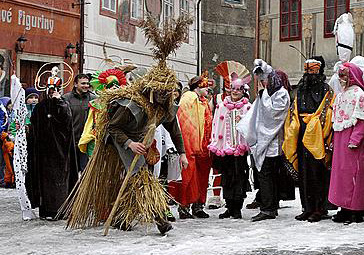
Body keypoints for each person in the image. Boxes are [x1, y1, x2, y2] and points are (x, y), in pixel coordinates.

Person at [63, 15, 191, 235]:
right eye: (160, 94)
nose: (164, 97)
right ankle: (160, 218)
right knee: (141, 176)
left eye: (167, 94)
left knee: (135, 177)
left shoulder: (165, 105)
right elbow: (112, 128)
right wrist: (130, 143)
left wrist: (182, 153)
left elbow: (173, 128)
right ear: (151, 90)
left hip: (141, 140)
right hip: (121, 138)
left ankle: (122, 217)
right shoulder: (131, 105)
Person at [237, 59, 290, 222]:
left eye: (264, 80)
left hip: (273, 141)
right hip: (265, 140)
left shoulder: (281, 93)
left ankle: (268, 208)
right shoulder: (267, 92)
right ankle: (269, 206)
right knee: (266, 176)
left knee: (268, 176)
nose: (262, 83)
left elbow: (274, 115)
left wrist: (262, 98)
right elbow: (257, 112)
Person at [286, 56, 334, 222]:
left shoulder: (326, 89)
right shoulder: (300, 89)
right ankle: (306, 207)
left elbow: (327, 109)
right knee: (304, 173)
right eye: (307, 70)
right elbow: (294, 108)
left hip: (317, 134)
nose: (309, 73)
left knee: (317, 172)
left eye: (312, 70)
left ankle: (319, 208)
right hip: (301, 131)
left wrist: (316, 126)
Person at [28, 66, 78, 220]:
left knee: (60, 181)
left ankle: (61, 210)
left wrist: (59, 103)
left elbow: (67, 121)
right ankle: (46, 210)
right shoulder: (40, 107)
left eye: (54, 89)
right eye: (50, 89)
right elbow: (34, 125)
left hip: (61, 153)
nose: (52, 92)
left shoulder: (63, 105)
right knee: (45, 182)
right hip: (43, 152)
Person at [328, 62, 364, 224]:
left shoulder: (359, 95)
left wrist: (355, 139)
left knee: (355, 175)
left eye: (344, 76)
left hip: (353, 142)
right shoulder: (340, 95)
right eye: (340, 76)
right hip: (341, 140)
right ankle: (344, 208)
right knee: (341, 176)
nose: (341, 79)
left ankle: (356, 210)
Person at [208, 72, 252, 219]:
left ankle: (237, 207)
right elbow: (216, 125)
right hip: (225, 149)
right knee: (226, 177)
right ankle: (229, 206)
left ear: (243, 91)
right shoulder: (221, 106)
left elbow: (252, 126)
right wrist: (216, 143)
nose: (235, 92)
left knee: (239, 177)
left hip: (240, 149)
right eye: (233, 88)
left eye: (238, 89)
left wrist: (243, 119)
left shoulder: (247, 107)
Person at [175, 72, 213, 219]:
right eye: (206, 86)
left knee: (202, 177)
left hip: (204, 145)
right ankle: (184, 206)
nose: (208, 89)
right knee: (189, 176)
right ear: (198, 86)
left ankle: (198, 205)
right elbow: (185, 121)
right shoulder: (189, 98)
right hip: (191, 144)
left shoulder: (203, 100)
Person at [9, 76, 37, 220]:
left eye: (35, 97)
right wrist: (15, 135)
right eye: (31, 97)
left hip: (34, 146)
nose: (34, 100)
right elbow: (13, 128)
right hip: (22, 145)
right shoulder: (21, 112)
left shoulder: (38, 111)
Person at [63, 73, 97, 172]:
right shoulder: (66, 98)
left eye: (87, 83)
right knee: (71, 169)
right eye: (83, 83)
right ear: (75, 84)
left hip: (86, 141)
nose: (86, 86)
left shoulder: (93, 99)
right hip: (71, 140)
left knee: (86, 169)